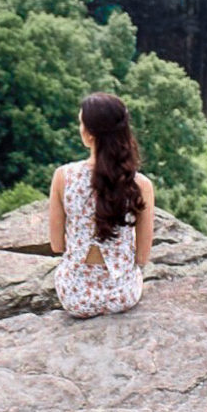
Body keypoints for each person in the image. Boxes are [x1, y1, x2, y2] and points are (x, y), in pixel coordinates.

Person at [48, 92, 155, 317]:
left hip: (75, 298)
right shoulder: (140, 185)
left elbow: (57, 245)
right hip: (122, 295)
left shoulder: (63, 177)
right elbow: (143, 257)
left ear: (89, 134)